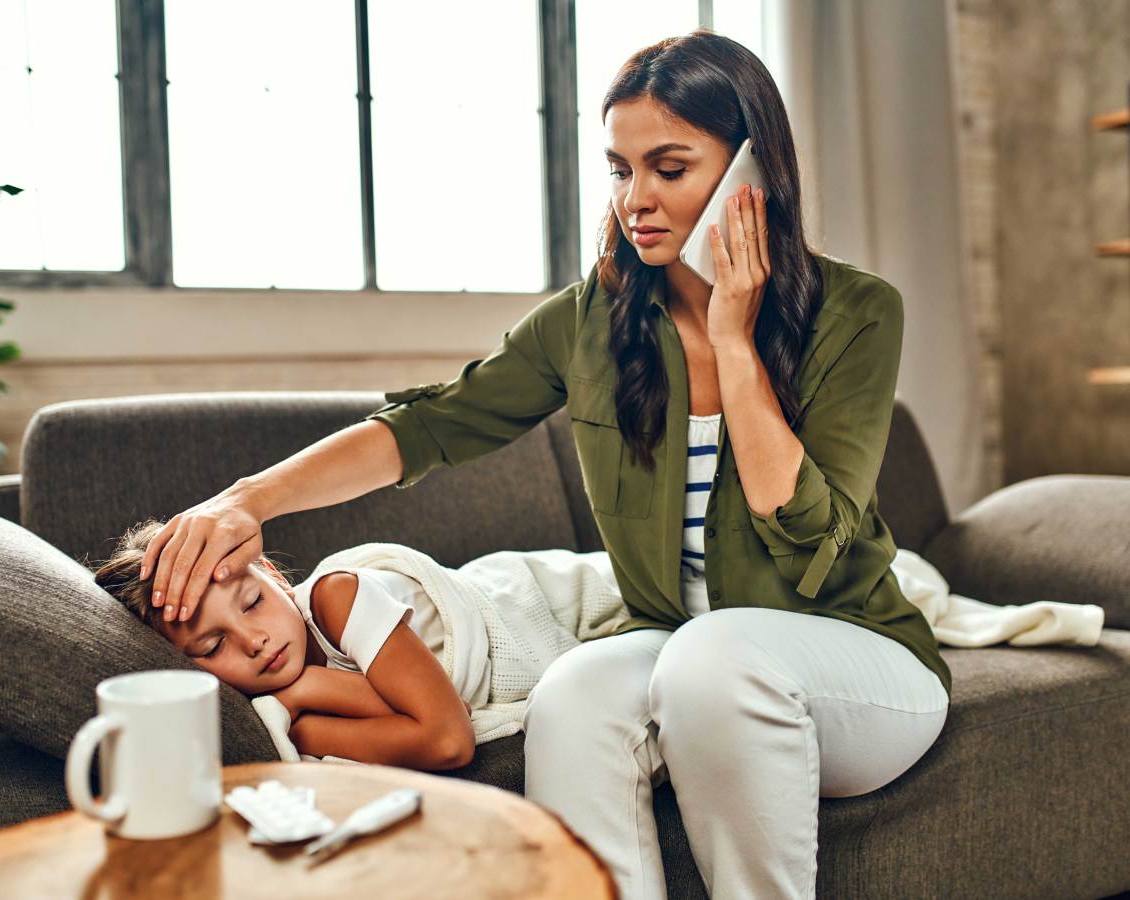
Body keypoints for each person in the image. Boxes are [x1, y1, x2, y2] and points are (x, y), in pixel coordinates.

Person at [137, 29, 951, 900]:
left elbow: (812, 537)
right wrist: (247, 501)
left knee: (712, 655)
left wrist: (736, 345)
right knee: (576, 692)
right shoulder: (590, 322)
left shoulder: (860, 314)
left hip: (856, 663)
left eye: (669, 169)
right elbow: (431, 424)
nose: (635, 198)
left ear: (751, 172)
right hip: (684, 653)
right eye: (618, 168)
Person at [93, 518, 476, 770]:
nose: (254, 641)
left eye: (253, 603)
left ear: (274, 576)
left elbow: (448, 739)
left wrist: (309, 696)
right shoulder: (255, 706)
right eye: (213, 647)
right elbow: (438, 714)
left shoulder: (337, 597)